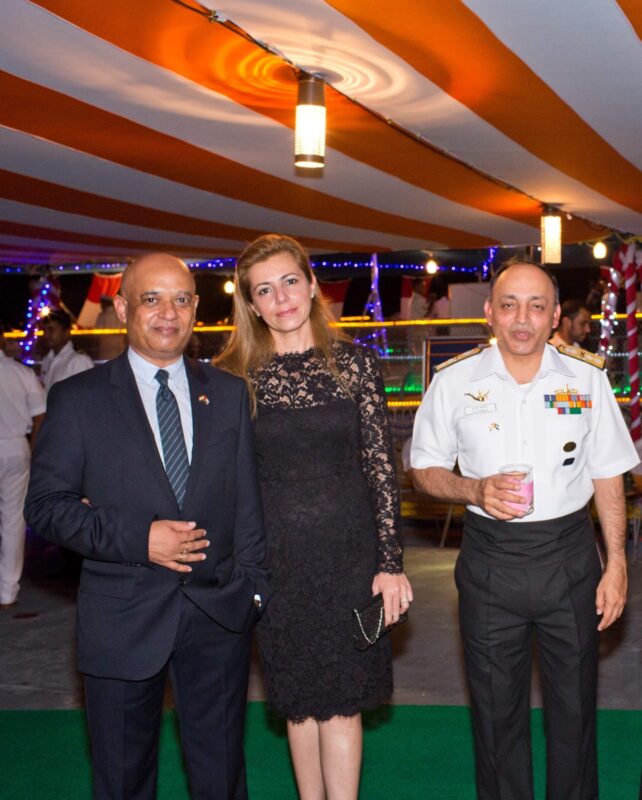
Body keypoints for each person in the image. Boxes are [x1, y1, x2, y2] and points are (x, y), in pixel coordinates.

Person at [25, 253, 269, 800]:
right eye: (151, 299)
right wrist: (141, 538)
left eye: (181, 299)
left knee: (221, 777)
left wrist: (252, 592)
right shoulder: (78, 399)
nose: (168, 313)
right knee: (123, 778)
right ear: (121, 308)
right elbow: (46, 506)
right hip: (122, 617)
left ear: (196, 309)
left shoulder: (228, 394)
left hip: (218, 616)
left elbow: (247, 504)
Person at [410, 258, 638, 800]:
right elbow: (423, 469)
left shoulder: (585, 378)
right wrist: (473, 489)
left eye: (537, 306)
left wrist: (618, 564)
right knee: (495, 717)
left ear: (555, 315)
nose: (522, 318)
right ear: (489, 312)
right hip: (491, 560)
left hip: (569, 557)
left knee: (575, 712)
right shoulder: (454, 381)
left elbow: (607, 472)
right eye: (509, 304)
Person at [215, 234, 412, 800]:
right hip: (276, 560)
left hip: (350, 557)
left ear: (312, 286)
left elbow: (380, 470)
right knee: (297, 701)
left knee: (343, 699)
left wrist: (390, 564)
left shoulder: (355, 365)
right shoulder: (232, 378)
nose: (281, 299)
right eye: (265, 290)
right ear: (251, 304)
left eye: (290, 282)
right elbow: (226, 483)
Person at [0, 325, 45, 607]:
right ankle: (7, 591)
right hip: (16, 446)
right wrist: (32, 447)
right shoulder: (21, 372)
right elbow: (40, 414)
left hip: (14, 444)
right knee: (14, 519)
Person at [39, 308, 93, 394]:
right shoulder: (47, 360)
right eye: (44, 330)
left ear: (66, 333)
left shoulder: (79, 361)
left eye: (51, 330)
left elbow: (88, 395)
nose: (46, 335)